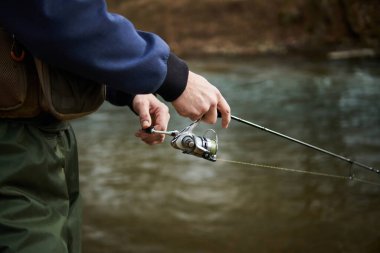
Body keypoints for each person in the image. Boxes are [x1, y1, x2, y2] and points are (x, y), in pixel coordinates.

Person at [0, 0, 230, 252]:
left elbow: (45, 37)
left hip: (46, 141)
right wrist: (173, 77)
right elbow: (58, 15)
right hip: (12, 150)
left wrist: (127, 90)